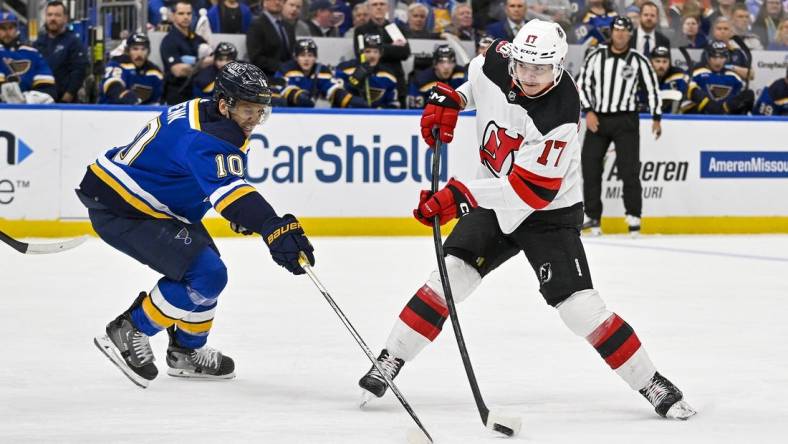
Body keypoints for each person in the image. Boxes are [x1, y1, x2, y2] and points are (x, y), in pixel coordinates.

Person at [356, 19, 696, 421]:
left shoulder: (562, 112)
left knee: (579, 310)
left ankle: (652, 381)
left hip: (547, 215)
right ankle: (390, 358)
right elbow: (474, 83)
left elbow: (531, 191)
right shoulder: (496, 61)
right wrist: (453, 102)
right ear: (513, 57)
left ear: (559, 66)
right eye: (524, 66)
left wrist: (461, 196)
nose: (530, 76)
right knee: (448, 277)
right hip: (493, 202)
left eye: (542, 69)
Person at [80, 61, 315, 388]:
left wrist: (242, 212)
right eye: (248, 109)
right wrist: (269, 225)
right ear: (224, 104)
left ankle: (186, 353)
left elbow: (200, 174)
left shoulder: (207, 112)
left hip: (148, 201)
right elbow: (228, 187)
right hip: (124, 206)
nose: (255, 120)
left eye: (261, 111)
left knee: (209, 272)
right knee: (206, 274)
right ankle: (130, 328)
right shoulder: (212, 135)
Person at [577, 16, 663, 236]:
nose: (621, 34)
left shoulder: (638, 59)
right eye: (617, 30)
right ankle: (592, 217)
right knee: (590, 166)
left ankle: (634, 216)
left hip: (626, 119)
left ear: (630, 34)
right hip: (599, 119)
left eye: (625, 31)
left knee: (629, 170)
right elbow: (583, 83)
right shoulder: (596, 56)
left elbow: (652, 87)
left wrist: (656, 117)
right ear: (611, 33)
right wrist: (588, 111)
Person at [275, 38, 367, 108]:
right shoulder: (286, 69)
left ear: (315, 58)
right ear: (296, 57)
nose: (306, 59)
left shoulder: (322, 70)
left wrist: (349, 99)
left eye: (310, 55)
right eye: (302, 55)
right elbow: (283, 89)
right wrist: (299, 96)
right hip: (287, 113)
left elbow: (332, 89)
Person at [33, 1, 89, 103]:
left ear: (65, 18)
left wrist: (68, 96)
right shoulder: (38, 43)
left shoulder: (73, 42)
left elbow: (79, 71)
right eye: (49, 15)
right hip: (41, 101)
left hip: (64, 103)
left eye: (57, 15)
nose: (53, 18)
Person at [160, 1, 212, 104]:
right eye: (181, 13)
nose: (186, 17)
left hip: (197, 93)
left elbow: (212, 60)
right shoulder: (169, 41)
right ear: (173, 15)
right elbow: (178, 71)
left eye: (189, 13)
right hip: (177, 94)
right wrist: (201, 63)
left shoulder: (197, 39)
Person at [683, 40, 754, 114]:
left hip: (726, 121)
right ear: (708, 57)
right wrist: (705, 103)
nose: (718, 61)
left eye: (722, 57)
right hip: (699, 119)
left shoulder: (734, 77)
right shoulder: (696, 73)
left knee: (748, 95)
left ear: (727, 58)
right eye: (714, 57)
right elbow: (684, 90)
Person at [0, 12, 56, 104]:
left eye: (11, 27)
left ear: (17, 29)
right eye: (2, 28)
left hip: (27, 111)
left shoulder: (31, 53)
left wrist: (26, 99)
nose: (7, 32)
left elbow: (49, 89)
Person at [336, 34, 400, 108]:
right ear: (361, 53)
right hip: (350, 114)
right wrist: (354, 80)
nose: (372, 56)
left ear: (380, 54)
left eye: (375, 52)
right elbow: (337, 95)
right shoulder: (345, 68)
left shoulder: (388, 75)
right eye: (368, 51)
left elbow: (392, 103)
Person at [100, 33, 164, 105]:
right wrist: (123, 95)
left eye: (143, 49)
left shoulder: (155, 72)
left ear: (148, 51)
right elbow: (111, 85)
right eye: (135, 49)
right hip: (111, 111)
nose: (139, 53)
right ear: (128, 51)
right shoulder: (118, 64)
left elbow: (157, 100)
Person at [247, 0, 296, 77]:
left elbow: (292, 52)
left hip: (289, 76)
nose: (277, 2)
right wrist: (280, 67)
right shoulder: (257, 25)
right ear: (264, 2)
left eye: (281, 0)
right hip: (266, 77)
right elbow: (255, 58)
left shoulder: (288, 26)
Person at [407, 44, 465, 109]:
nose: (446, 67)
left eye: (450, 62)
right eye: (441, 62)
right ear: (435, 64)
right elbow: (414, 112)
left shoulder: (462, 74)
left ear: (454, 64)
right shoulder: (420, 81)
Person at [647, 46, 689, 113]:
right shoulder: (643, 75)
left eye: (665, 61)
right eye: (657, 61)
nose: (661, 65)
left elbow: (688, 98)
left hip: (673, 119)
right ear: (651, 62)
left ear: (670, 62)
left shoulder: (679, 75)